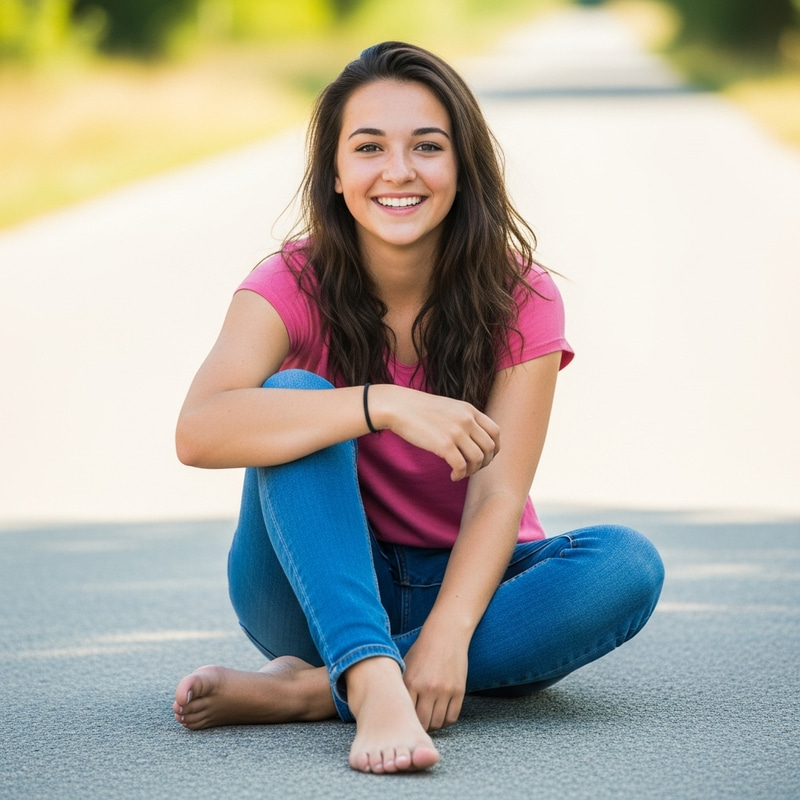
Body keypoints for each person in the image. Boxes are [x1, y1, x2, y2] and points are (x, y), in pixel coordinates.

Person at [172, 41, 664, 774]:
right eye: (368, 147)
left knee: (627, 565)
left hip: (468, 586)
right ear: (335, 174)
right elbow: (198, 431)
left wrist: (450, 632)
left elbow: (500, 493)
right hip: (313, 584)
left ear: (462, 166)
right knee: (295, 399)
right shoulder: (287, 283)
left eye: (426, 147)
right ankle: (370, 679)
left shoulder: (521, 296)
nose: (398, 171)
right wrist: (381, 404)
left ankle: (314, 691)